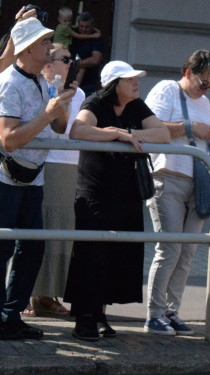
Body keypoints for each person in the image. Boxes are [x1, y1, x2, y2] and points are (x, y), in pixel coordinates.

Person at [65, 61, 170, 341]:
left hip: (128, 193)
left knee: (116, 256)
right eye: (130, 79)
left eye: (137, 79)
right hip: (96, 193)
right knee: (92, 256)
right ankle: (84, 318)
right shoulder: (95, 103)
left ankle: (100, 314)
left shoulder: (137, 105)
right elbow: (78, 131)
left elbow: (163, 134)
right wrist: (114, 132)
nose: (137, 83)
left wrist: (130, 134)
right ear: (114, 84)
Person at [142, 50, 210, 336]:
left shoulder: (205, 102)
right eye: (203, 82)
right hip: (167, 177)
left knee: (187, 251)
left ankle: (171, 310)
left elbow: (203, 140)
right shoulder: (167, 89)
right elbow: (151, 129)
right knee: (170, 248)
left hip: (198, 180)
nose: (205, 89)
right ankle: (154, 314)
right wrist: (191, 127)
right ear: (188, 72)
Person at [0, 16, 73, 340]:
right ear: (28, 48)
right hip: (6, 180)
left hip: (33, 179)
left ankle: (10, 316)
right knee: (3, 250)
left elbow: (56, 127)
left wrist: (60, 108)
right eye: (45, 42)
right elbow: (9, 139)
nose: (50, 46)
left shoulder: (40, 81)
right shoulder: (9, 83)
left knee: (31, 249)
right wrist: (49, 113)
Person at [27, 43, 85, 319]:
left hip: (67, 164)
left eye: (70, 58)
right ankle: (30, 294)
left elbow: (71, 130)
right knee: (37, 226)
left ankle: (46, 294)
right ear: (48, 64)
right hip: (41, 162)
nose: (70, 62)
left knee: (59, 228)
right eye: (65, 58)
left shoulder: (79, 92)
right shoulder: (36, 85)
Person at [69, 11, 103, 95]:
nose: (84, 29)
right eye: (81, 26)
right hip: (68, 80)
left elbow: (95, 60)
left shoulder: (97, 38)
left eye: (87, 27)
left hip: (88, 83)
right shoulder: (72, 33)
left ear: (93, 26)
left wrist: (74, 64)